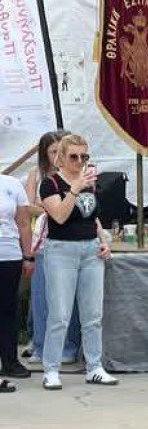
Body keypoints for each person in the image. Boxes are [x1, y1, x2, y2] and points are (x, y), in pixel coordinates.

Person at [39, 134, 118, 390]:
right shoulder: (49, 183)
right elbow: (59, 216)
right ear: (60, 157)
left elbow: (91, 216)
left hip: (90, 250)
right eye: (74, 156)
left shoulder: (88, 182)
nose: (80, 161)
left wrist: (103, 238)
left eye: (84, 156)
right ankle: (51, 369)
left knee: (93, 314)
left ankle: (94, 366)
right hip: (61, 250)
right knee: (60, 314)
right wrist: (74, 188)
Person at [24, 131, 81, 366]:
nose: (58, 155)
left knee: (68, 299)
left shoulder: (75, 174)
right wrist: (53, 207)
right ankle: (39, 344)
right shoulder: (37, 175)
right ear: (44, 154)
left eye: (61, 151)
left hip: (71, 239)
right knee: (42, 299)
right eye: (53, 152)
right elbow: (29, 207)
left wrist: (51, 206)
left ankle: (69, 346)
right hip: (45, 240)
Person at [0, 173, 33, 383]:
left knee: (8, 310)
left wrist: (28, 255)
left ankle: (10, 361)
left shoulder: (12, 184)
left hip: (9, 254)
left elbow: (23, 224)